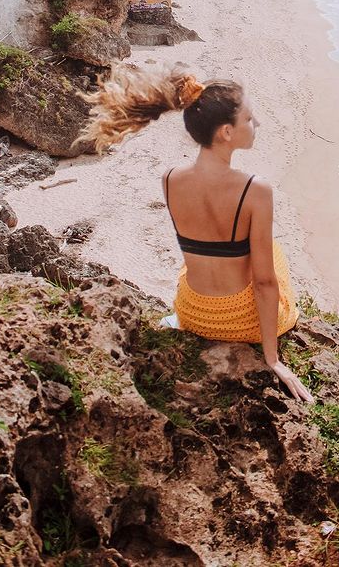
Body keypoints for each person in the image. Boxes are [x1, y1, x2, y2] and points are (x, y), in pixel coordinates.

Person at [78, 64, 313, 403]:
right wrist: (272, 359)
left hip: (193, 313)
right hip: (241, 322)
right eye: (248, 119)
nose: (256, 124)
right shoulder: (255, 190)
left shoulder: (170, 178)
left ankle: (181, 315)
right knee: (272, 254)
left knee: (200, 261)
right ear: (226, 133)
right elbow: (264, 283)